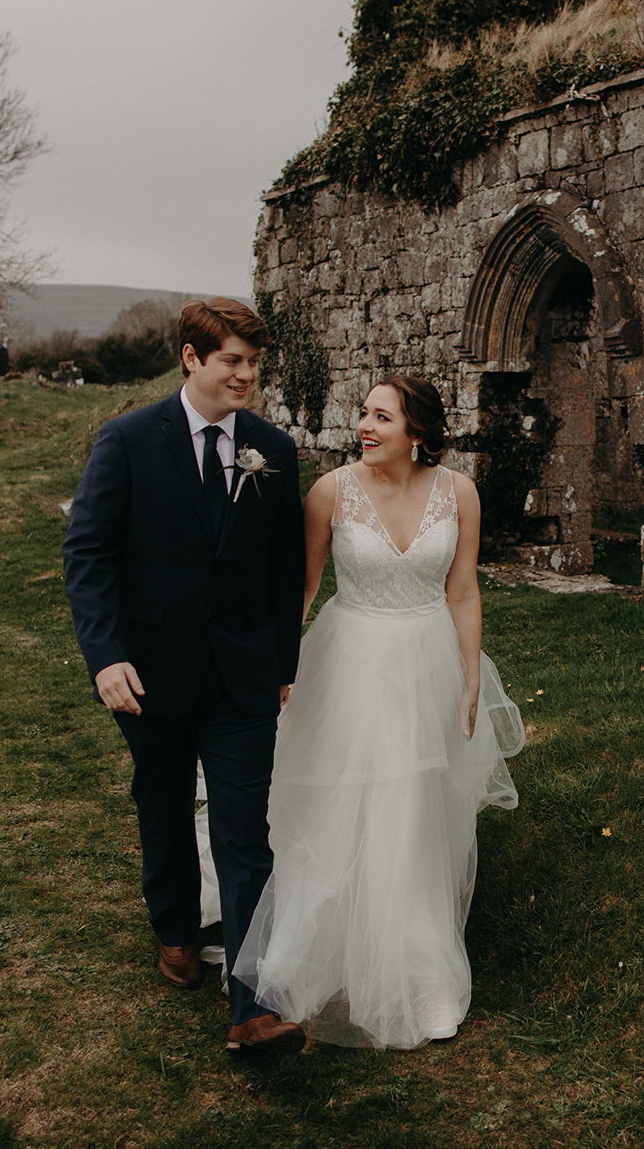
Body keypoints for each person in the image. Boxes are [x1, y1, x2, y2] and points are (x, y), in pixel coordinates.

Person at [231, 374, 524, 1050]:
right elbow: (303, 586)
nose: (363, 425)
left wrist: (472, 673)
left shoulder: (460, 494)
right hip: (350, 657)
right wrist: (283, 668)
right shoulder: (331, 492)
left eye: (381, 417)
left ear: (417, 433)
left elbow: (463, 592)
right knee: (345, 803)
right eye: (363, 414)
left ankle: (420, 969)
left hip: (428, 662)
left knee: (416, 810)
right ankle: (319, 952)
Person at [62, 297, 308, 1055]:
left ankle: (254, 1001)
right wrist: (106, 657)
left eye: (253, 363)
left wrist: (280, 666)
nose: (246, 375)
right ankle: (172, 925)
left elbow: (282, 568)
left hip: (241, 680)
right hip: (149, 674)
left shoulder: (273, 448)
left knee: (244, 833)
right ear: (191, 358)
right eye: (232, 360)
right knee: (163, 805)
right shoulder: (129, 440)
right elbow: (89, 556)